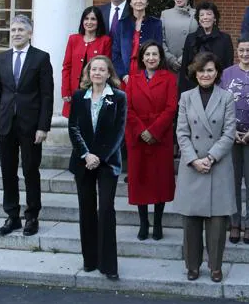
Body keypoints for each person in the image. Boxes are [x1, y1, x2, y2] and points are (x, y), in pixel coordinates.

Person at [0, 15, 54, 237]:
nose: (16, 33)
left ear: (29, 33)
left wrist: (43, 126)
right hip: (5, 124)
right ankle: (13, 217)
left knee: (30, 171)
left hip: (31, 126)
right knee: (8, 172)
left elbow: (47, 96)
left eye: (21, 30)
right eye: (13, 29)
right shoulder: (2, 59)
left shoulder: (41, 58)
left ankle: (32, 216)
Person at [175, 52, 236, 283]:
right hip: (192, 166)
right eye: (201, 70)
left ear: (217, 72)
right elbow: (181, 132)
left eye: (210, 70)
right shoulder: (186, 97)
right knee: (190, 222)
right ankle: (192, 265)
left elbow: (229, 133)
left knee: (218, 223)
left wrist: (210, 158)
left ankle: (215, 266)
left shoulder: (227, 97)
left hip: (217, 166)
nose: (205, 74)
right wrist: (193, 159)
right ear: (195, 73)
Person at [68, 55, 126, 281]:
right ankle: (90, 260)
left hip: (107, 163)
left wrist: (99, 157)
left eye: (102, 69)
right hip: (82, 162)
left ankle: (109, 264)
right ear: (88, 73)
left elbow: (118, 132)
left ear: (109, 73)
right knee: (87, 210)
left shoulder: (119, 98)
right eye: (94, 69)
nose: (97, 73)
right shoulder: (78, 96)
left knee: (106, 211)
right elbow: (73, 128)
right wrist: (86, 154)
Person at [125, 40, 178, 241]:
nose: (151, 58)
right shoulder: (133, 79)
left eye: (154, 54)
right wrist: (141, 130)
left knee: (159, 182)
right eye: (147, 55)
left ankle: (157, 222)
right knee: (140, 180)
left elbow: (171, 108)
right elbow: (127, 108)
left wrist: (154, 131)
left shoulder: (169, 78)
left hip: (160, 136)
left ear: (160, 57)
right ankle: (143, 223)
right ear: (142, 58)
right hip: (138, 137)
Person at [220, 36, 249, 245]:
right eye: (242, 50)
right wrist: (231, 131)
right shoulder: (227, 74)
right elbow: (220, 104)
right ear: (237, 52)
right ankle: (234, 222)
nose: (245, 54)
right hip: (230, 137)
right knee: (232, 182)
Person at [61, 6, 112, 117]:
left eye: (93, 19)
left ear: (98, 22)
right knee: (75, 129)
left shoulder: (105, 41)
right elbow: (66, 67)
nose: (89, 22)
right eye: (86, 18)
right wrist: (65, 91)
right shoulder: (73, 39)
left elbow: (107, 68)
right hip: (74, 91)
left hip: (96, 91)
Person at [178, 0, 233, 95]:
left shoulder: (225, 39)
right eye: (202, 15)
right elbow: (184, 67)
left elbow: (228, 66)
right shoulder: (191, 38)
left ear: (215, 18)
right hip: (194, 87)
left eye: (209, 14)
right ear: (198, 19)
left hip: (219, 88)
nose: (205, 17)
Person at [112, 0, 163, 85]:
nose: (139, 1)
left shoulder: (156, 23)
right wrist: (123, 75)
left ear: (147, 2)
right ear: (130, 3)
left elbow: (158, 50)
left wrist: (151, 73)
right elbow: (115, 53)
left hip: (148, 71)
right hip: (127, 73)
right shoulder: (122, 24)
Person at [160, 0, 198, 73]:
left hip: (191, 65)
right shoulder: (165, 14)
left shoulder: (197, 14)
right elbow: (161, 38)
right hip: (170, 65)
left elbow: (199, 38)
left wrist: (185, 56)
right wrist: (170, 59)